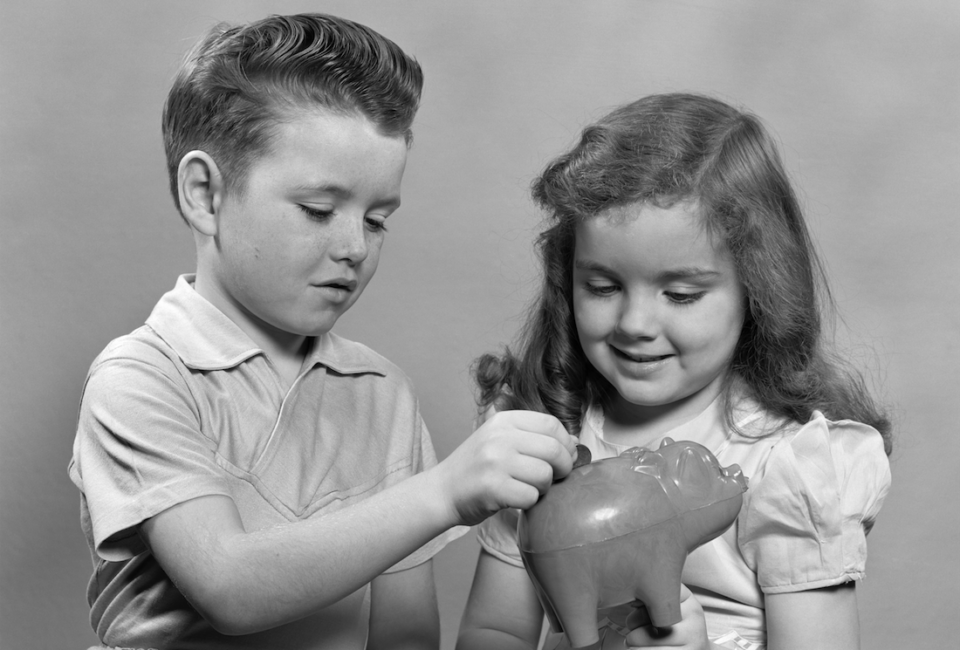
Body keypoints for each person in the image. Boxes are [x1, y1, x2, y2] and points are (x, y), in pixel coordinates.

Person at [68, 13, 578, 650]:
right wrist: (444, 491)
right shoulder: (140, 379)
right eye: (317, 210)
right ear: (204, 194)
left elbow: (406, 637)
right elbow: (230, 588)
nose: (353, 247)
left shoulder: (379, 389)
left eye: (377, 220)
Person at [456, 93, 892, 650]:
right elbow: (493, 632)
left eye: (681, 294)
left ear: (758, 291)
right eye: (603, 286)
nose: (635, 322)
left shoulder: (787, 465)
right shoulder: (544, 434)